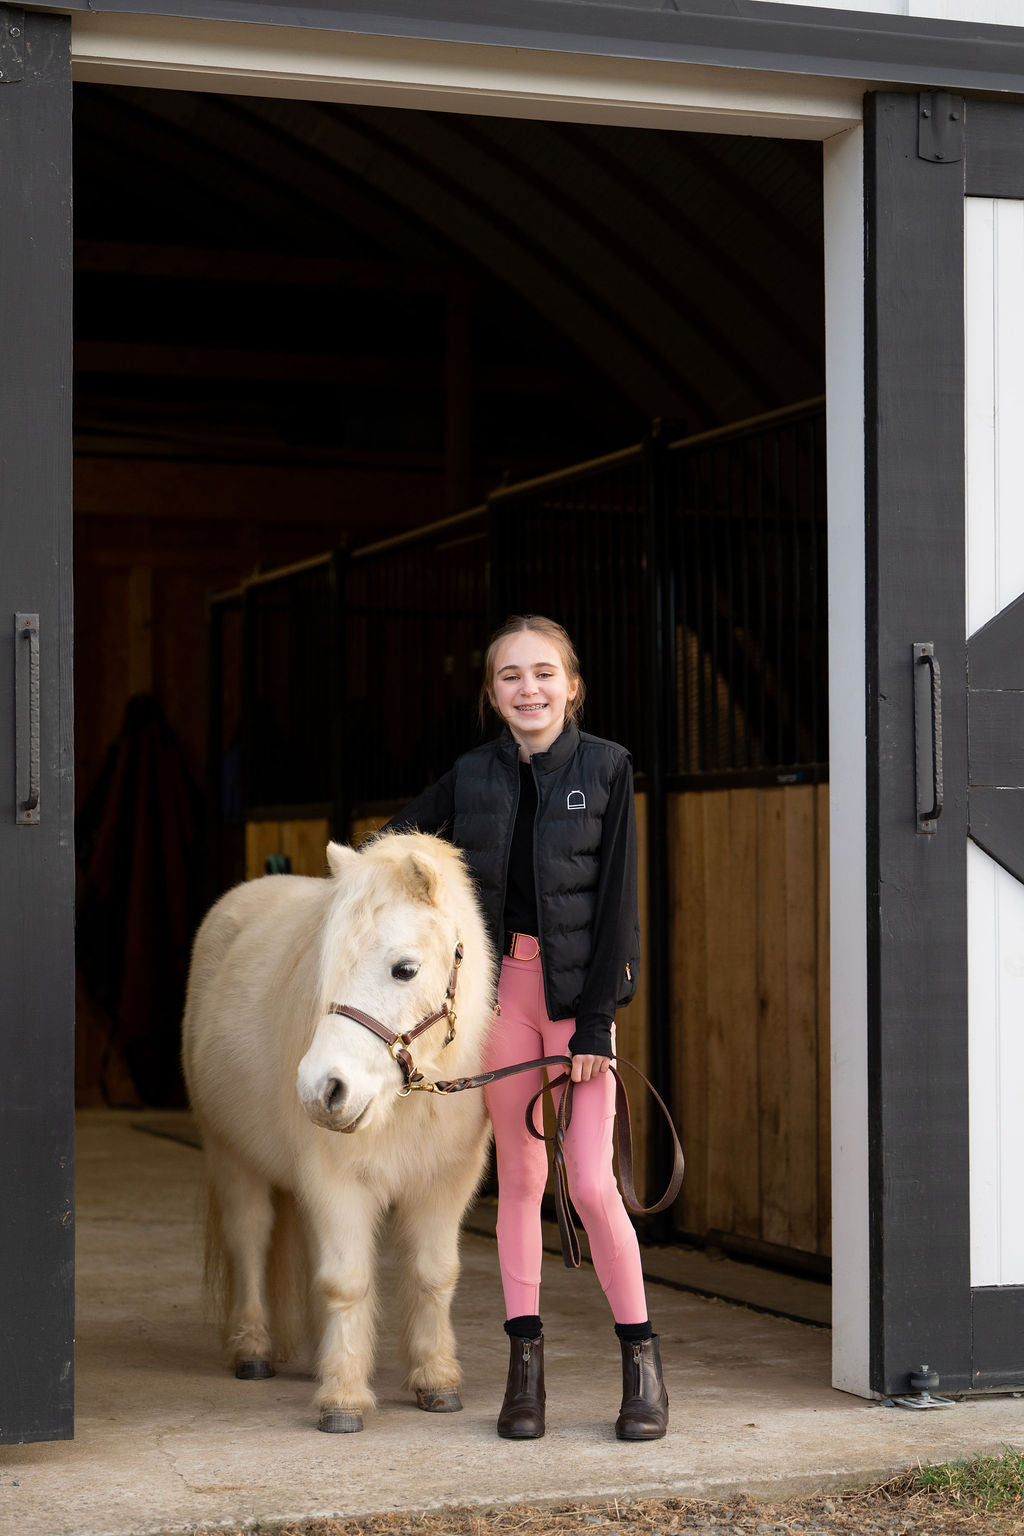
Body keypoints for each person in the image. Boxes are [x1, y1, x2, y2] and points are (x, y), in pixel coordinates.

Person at [385, 614, 668, 1442]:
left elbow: (618, 907)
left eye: (544, 673)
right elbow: (399, 845)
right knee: (517, 1182)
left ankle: (642, 1365)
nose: (528, 689)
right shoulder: (471, 776)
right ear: (491, 692)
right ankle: (525, 1371)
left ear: (572, 686)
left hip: (578, 1007)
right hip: (500, 1001)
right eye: (510, 676)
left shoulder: (608, 769)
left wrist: (595, 1024)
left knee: (588, 1183)